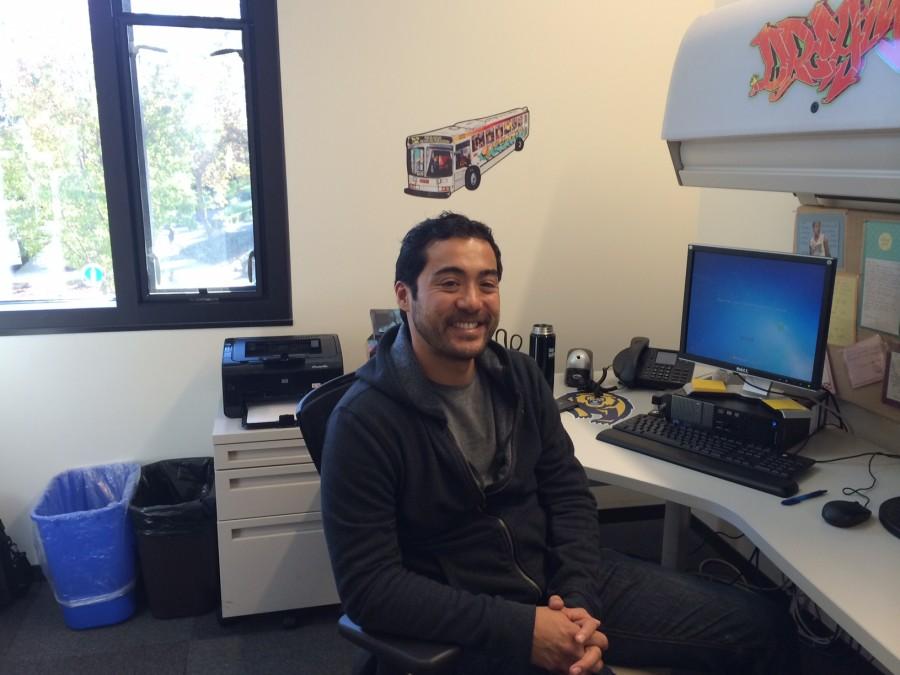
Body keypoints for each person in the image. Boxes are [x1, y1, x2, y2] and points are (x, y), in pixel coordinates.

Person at [321, 212, 794, 675]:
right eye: (449, 283)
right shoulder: (365, 421)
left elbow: (568, 495)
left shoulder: (520, 378)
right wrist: (525, 629)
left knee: (759, 627)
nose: (472, 301)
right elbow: (371, 588)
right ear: (405, 296)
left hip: (554, 579)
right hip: (465, 615)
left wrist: (577, 602)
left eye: (487, 283)